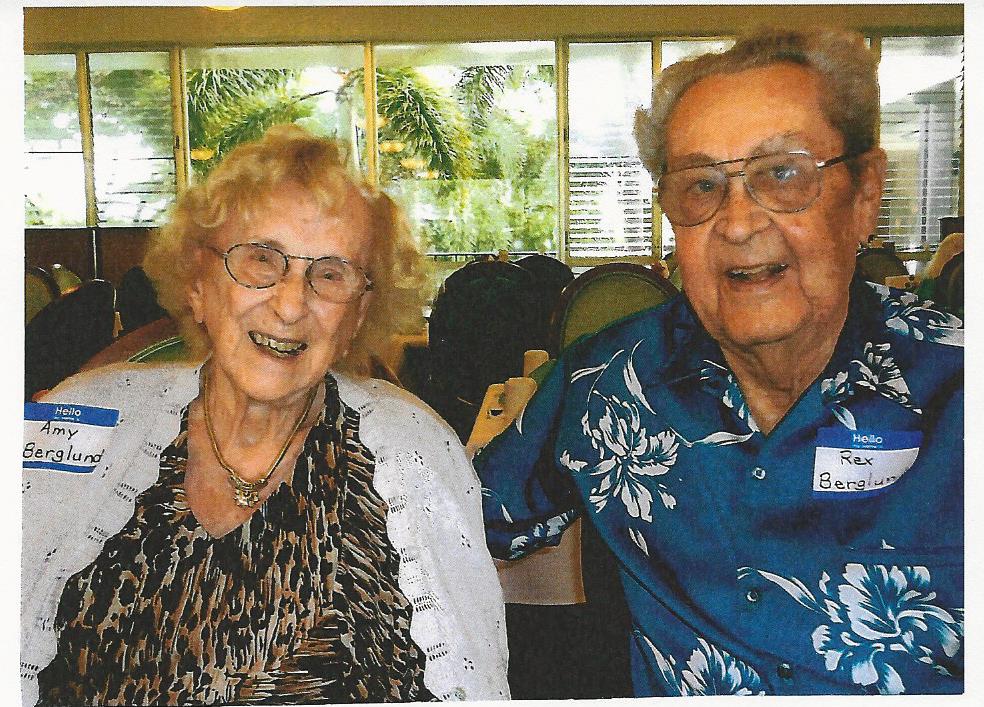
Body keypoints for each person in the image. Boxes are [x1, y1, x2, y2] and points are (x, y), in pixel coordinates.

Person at [474, 28, 963, 696]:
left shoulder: (958, 385)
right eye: (701, 185)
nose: (736, 222)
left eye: (782, 173)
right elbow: (453, 517)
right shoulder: (608, 382)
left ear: (865, 194)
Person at [22, 125, 509, 705]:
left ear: (358, 316)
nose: (290, 304)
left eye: (330, 274)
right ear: (198, 285)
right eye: (260, 260)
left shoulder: (415, 452)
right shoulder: (83, 418)